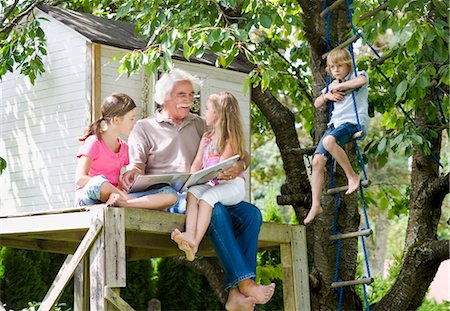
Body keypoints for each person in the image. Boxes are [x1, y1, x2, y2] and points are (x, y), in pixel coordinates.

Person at [123, 69, 275, 310]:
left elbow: (239, 152)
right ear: (164, 97)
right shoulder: (144, 127)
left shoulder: (202, 124)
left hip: (207, 188)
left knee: (251, 214)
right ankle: (244, 285)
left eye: (192, 95)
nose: (189, 100)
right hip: (171, 196)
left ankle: (237, 293)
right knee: (216, 212)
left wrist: (238, 166)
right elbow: (135, 166)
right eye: (181, 94)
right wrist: (131, 172)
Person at [170, 92, 247, 262]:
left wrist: (208, 173)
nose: (204, 112)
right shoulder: (207, 137)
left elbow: (222, 167)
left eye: (207, 109)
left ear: (218, 114)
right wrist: (193, 177)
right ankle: (189, 233)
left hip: (232, 185)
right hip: (214, 183)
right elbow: (197, 164)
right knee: (193, 193)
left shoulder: (230, 138)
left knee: (207, 198)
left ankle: (194, 244)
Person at [75, 93, 177, 209]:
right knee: (99, 182)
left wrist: (132, 175)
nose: (134, 123)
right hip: (89, 196)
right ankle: (131, 201)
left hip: (115, 197)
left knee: (170, 194)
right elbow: (80, 179)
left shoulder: (124, 148)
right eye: (131, 118)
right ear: (116, 120)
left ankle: (126, 203)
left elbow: (120, 178)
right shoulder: (94, 142)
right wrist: (110, 187)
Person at [304, 48, 369, 225]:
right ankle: (316, 204)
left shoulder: (358, 75)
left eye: (340, 66)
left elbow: (361, 81)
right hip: (335, 125)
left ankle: (352, 176)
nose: (336, 70)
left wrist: (340, 86)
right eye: (332, 67)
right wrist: (327, 95)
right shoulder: (332, 84)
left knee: (328, 141)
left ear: (348, 65)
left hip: (352, 122)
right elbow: (317, 103)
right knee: (317, 161)